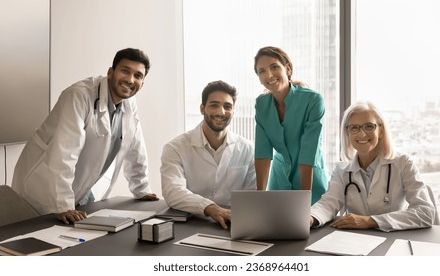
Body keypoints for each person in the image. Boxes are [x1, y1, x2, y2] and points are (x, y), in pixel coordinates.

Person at [12, 48, 158, 224]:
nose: (130, 79)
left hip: (77, 188)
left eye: (138, 75)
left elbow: (135, 146)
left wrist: (141, 189)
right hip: (41, 189)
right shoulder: (79, 95)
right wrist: (63, 205)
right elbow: (64, 153)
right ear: (110, 72)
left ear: (142, 83)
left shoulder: (129, 103)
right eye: (125, 71)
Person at [310, 101, 436, 231]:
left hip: (393, 240)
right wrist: (309, 218)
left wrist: (371, 221)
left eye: (369, 126)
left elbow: (425, 212)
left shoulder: (403, 163)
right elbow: (328, 204)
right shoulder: (342, 170)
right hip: (355, 242)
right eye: (354, 128)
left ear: (381, 130)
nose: (362, 134)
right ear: (348, 133)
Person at [160, 80, 256, 229]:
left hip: (232, 226)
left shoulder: (249, 149)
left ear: (234, 110)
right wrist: (210, 208)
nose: (221, 112)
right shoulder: (175, 148)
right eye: (214, 105)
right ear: (202, 108)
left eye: (227, 106)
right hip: (190, 225)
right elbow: (173, 192)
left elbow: (253, 197)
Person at [253, 46, 328, 204]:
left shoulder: (313, 100)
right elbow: (262, 154)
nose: (269, 75)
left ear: (287, 69)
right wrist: (259, 199)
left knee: (308, 226)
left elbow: (309, 153)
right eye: (262, 71)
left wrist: (303, 202)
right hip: (279, 179)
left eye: (274, 67)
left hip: (310, 180)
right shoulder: (261, 104)